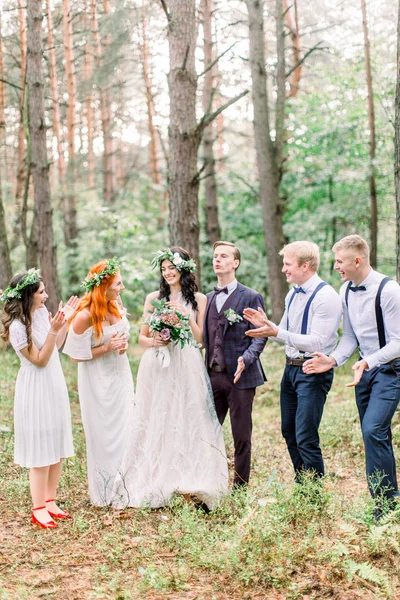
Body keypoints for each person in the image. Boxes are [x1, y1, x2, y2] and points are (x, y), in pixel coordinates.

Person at [112, 247, 228, 510]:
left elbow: (201, 340)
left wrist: (186, 318)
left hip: (186, 362)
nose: (167, 273)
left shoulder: (199, 299)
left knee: (187, 415)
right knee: (158, 415)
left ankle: (188, 476)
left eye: (171, 268)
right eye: (164, 269)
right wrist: (157, 339)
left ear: (183, 270)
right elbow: (141, 337)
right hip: (158, 362)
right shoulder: (153, 298)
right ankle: (156, 473)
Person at [303, 235, 400, 511]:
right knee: (375, 434)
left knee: (373, 429)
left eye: (339, 261)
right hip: (365, 371)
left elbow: (398, 341)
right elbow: (351, 338)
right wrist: (332, 360)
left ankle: (386, 504)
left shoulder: (389, 290)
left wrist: (368, 362)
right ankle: (384, 500)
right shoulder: (346, 291)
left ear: (357, 261)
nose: (335, 267)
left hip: (391, 369)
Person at [243, 241, 342, 480]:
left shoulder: (327, 297)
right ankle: (302, 482)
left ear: (305, 266)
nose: (283, 269)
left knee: (306, 435)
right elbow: (286, 335)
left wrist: (275, 331)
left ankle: (314, 494)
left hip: (313, 370)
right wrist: (267, 326)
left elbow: (317, 342)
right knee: (288, 430)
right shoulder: (291, 295)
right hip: (291, 370)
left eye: (287, 264)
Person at [1, 269, 77, 529]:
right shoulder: (18, 327)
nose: (46, 295)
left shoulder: (42, 314)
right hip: (35, 386)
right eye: (41, 292)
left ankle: (50, 500)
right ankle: (38, 508)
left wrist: (63, 322)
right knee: (41, 448)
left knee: (55, 443)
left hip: (54, 383)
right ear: (28, 296)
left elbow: (55, 348)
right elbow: (40, 360)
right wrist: (55, 329)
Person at [63, 258, 134, 506]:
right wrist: (106, 348)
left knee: (128, 426)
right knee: (104, 433)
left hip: (121, 376)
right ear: (103, 287)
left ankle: (128, 485)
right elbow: (75, 356)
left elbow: (121, 337)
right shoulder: (84, 316)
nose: (121, 288)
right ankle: (106, 491)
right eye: (118, 284)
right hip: (97, 383)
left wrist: (121, 346)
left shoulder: (115, 305)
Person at [204, 241, 267, 488]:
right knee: (207, 433)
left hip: (241, 379)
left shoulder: (250, 296)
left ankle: (240, 489)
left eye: (224, 256)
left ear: (235, 263)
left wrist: (247, 359)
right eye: (215, 256)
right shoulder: (207, 299)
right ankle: (208, 485)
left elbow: (261, 334)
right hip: (212, 376)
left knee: (241, 436)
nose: (217, 260)